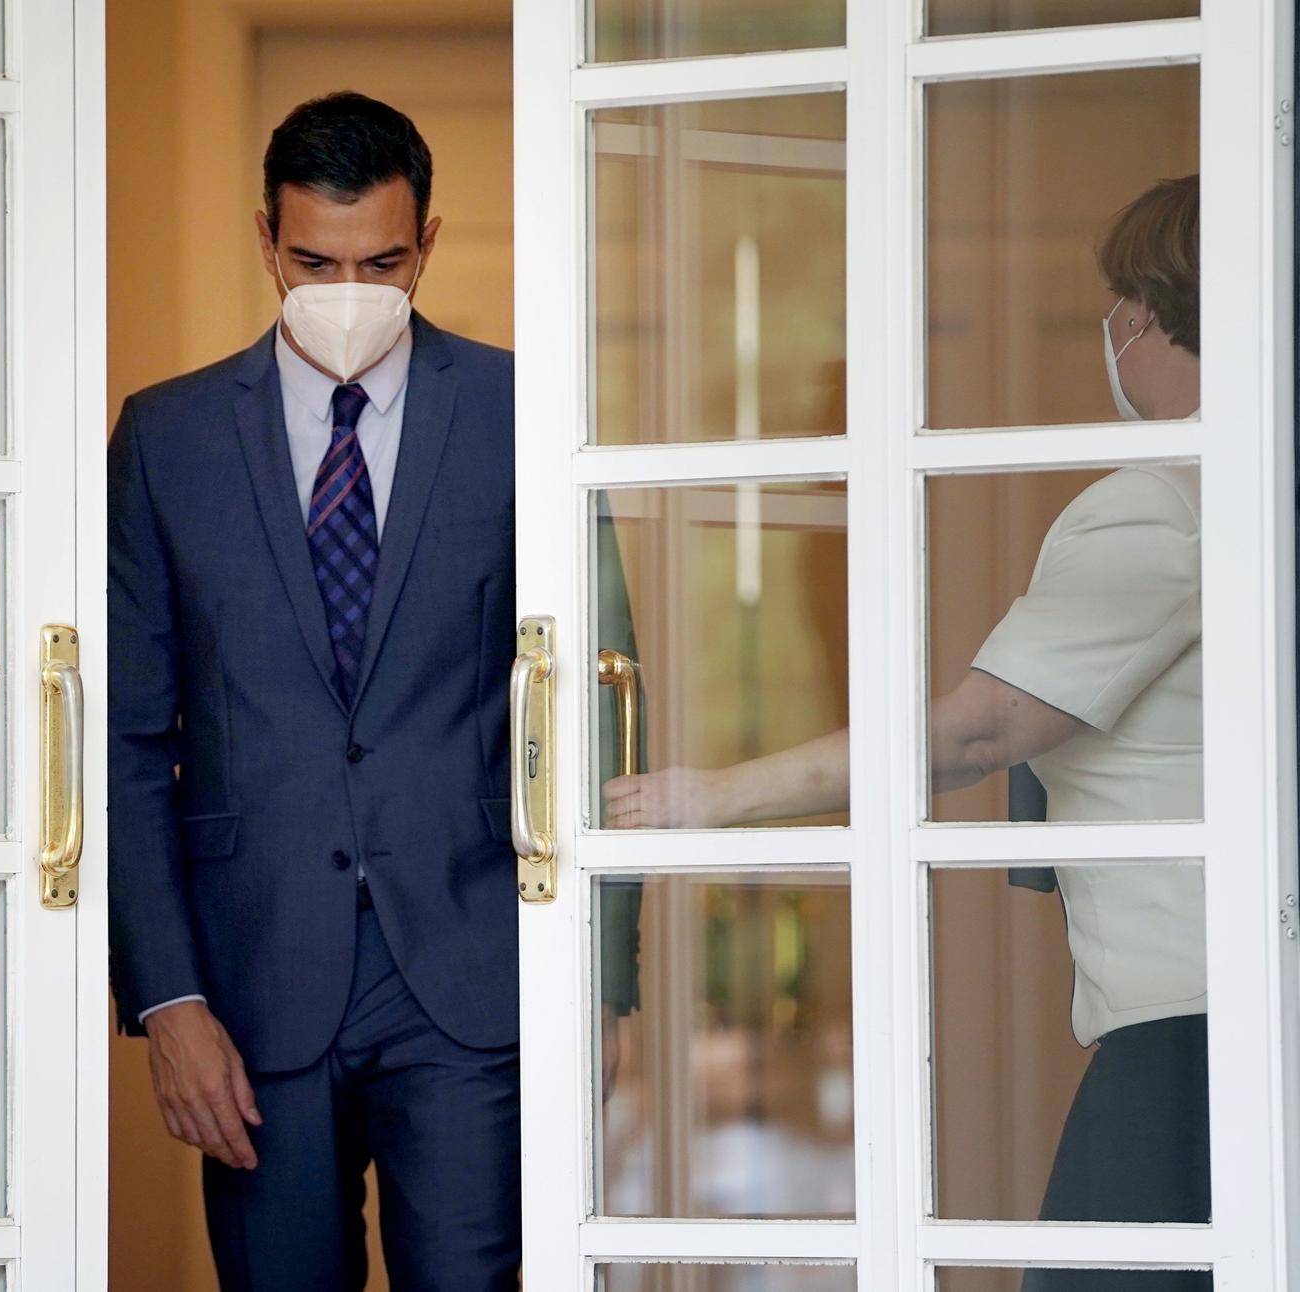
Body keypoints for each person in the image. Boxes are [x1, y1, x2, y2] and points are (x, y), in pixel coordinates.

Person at [606, 176, 1207, 1287]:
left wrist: (711, 794)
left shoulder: (1156, 502)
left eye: (1114, 304)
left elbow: (978, 732)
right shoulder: (1237, 490)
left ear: (1139, 313)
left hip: (1186, 1033)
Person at [108, 93, 519, 1288]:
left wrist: (604, 980)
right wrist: (167, 999)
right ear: (263, 240)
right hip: (248, 985)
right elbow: (129, 739)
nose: (347, 287)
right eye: (314, 261)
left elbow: (588, 696)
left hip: (469, 969)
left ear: (426, 245)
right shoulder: (165, 436)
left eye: (381, 262)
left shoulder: (522, 415)